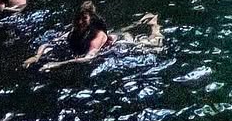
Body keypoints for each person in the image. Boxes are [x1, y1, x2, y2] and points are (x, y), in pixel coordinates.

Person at [25, 4, 163, 71]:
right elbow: (49, 43)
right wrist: (37, 56)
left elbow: (89, 57)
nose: (80, 22)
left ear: (90, 19)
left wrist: (59, 64)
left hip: (122, 43)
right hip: (113, 35)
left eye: (84, 18)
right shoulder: (73, 32)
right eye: (78, 18)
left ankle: (154, 26)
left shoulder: (97, 35)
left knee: (155, 46)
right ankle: (140, 22)